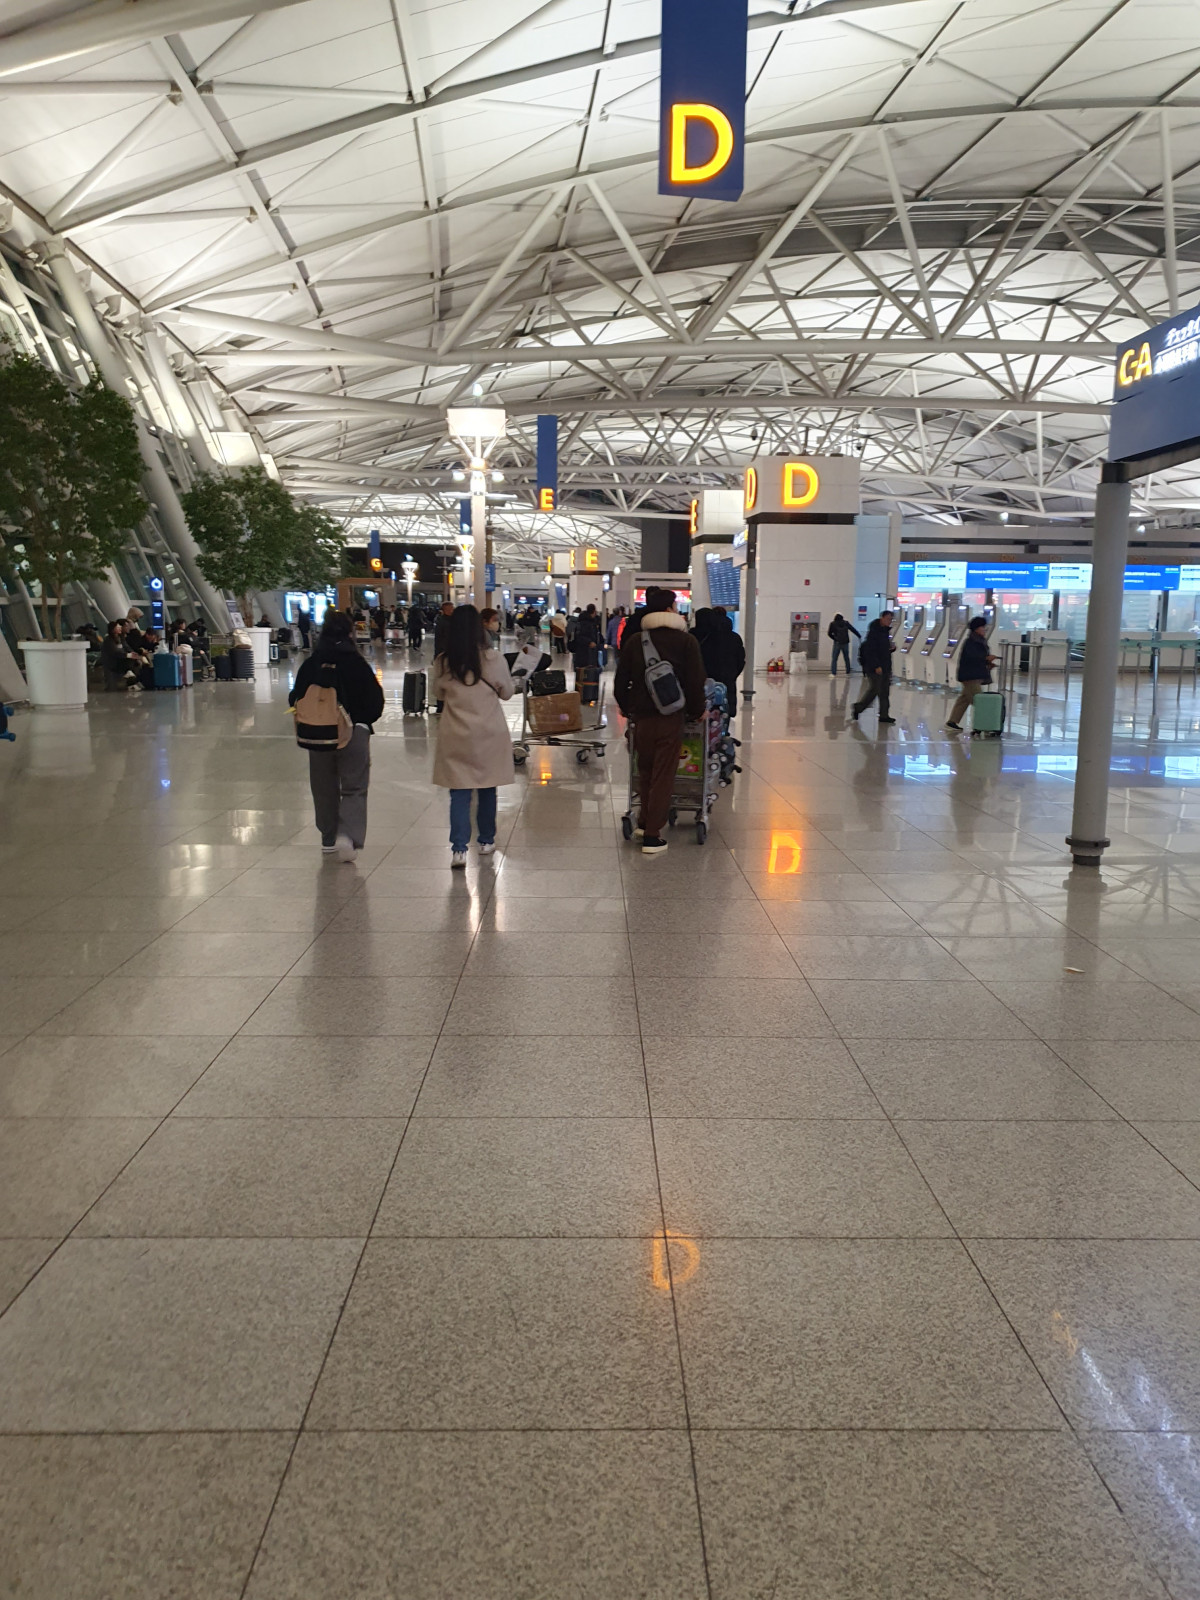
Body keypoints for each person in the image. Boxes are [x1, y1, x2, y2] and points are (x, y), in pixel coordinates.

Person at [614, 586, 707, 856]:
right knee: (663, 776)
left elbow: (621, 681)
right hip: (670, 718)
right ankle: (652, 836)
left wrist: (627, 708)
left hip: (642, 719)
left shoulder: (636, 641)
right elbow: (695, 681)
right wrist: (697, 710)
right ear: (669, 609)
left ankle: (644, 823)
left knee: (645, 771)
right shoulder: (686, 641)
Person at [288, 610, 384, 861]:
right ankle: (347, 835)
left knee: (323, 788)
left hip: (317, 734)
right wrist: (361, 721)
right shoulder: (356, 664)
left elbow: (295, 697)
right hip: (354, 733)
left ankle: (328, 838)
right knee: (354, 787)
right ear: (350, 634)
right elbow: (375, 702)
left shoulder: (312, 663)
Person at [431, 604, 515, 867]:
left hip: (456, 733)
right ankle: (486, 840)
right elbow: (507, 692)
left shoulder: (444, 661)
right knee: (488, 787)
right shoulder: (494, 658)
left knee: (459, 791)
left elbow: (438, 693)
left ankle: (458, 849)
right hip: (489, 732)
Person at [946, 616, 997, 731]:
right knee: (979, 701)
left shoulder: (978, 640)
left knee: (964, 699)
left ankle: (952, 722)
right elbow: (973, 658)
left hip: (972, 675)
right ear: (976, 629)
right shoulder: (971, 642)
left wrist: (988, 662)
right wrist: (986, 658)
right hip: (970, 676)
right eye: (982, 627)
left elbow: (978, 657)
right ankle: (984, 726)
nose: (984, 629)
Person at [851, 611, 897, 726]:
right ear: (882, 618)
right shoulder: (874, 632)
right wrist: (876, 665)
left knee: (884, 691)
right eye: (888, 619)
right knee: (875, 689)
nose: (889, 621)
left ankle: (884, 715)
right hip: (875, 667)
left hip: (885, 665)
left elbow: (883, 650)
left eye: (891, 619)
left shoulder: (885, 632)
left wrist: (891, 649)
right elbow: (870, 651)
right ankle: (859, 707)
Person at [571, 602, 602, 701]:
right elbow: (581, 637)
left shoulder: (584, 622)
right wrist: (589, 642)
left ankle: (585, 693)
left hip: (585, 652)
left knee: (584, 672)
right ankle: (587, 694)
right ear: (593, 612)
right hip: (586, 652)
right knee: (587, 671)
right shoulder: (587, 623)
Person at [432, 601, 455, 712]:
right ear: (446, 610)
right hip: (444, 654)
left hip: (448, 653)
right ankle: (441, 704)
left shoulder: (450, 621)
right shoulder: (443, 622)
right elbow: (439, 641)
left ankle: (444, 703)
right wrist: (438, 655)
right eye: (451, 608)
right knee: (443, 678)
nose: (453, 610)